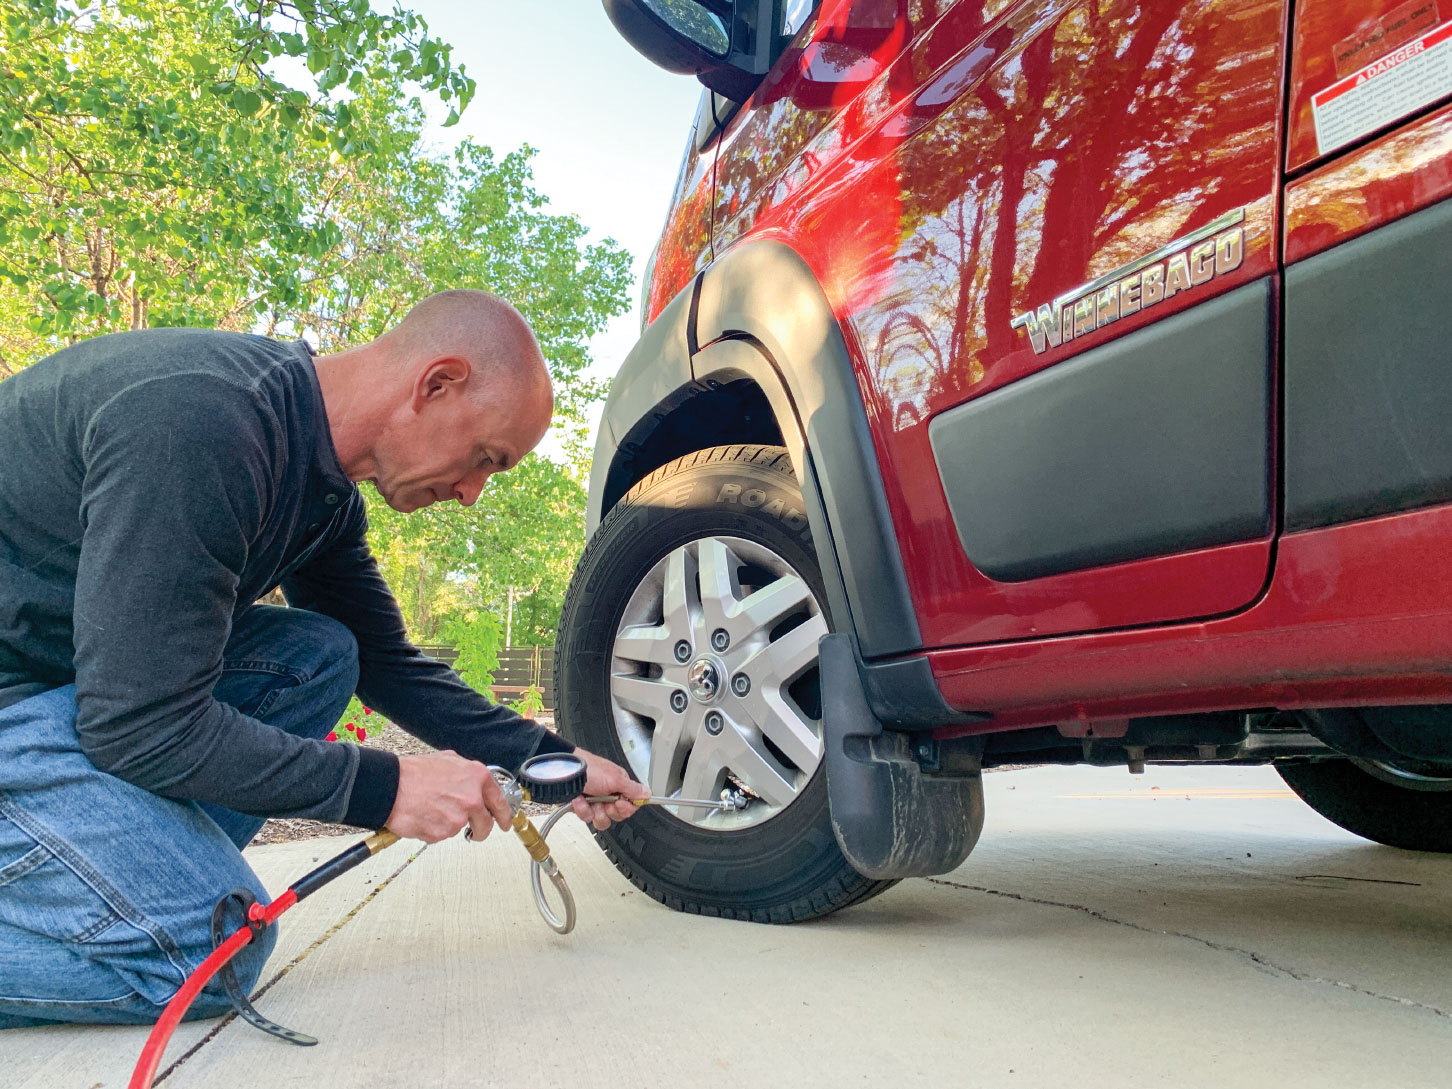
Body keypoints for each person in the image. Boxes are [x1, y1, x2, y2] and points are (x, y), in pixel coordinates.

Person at [0, 290, 647, 1029]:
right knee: (210, 953)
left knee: (320, 652)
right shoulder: (202, 425)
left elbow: (386, 662)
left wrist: (551, 759)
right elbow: (139, 724)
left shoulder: (321, 496)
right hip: (26, 706)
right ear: (437, 383)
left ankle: (128, 869)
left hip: (58, 699)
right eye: (484, 459)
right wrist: (385, 788)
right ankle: (138, 896)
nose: (471, 494)